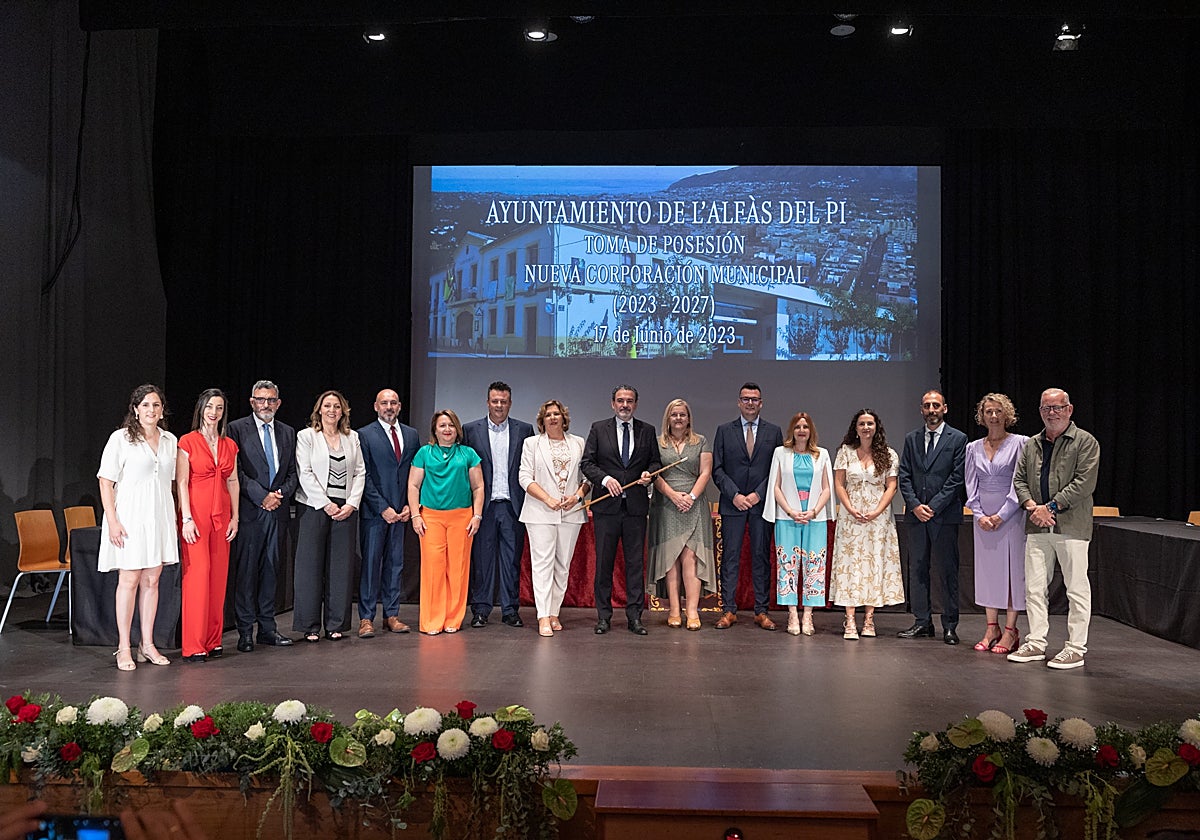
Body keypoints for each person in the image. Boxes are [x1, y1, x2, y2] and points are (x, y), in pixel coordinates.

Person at [1008, 388, 1100, 670]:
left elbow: (1084, 482)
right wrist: (1032, 506)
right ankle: (1036, 643)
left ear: (1069, 410)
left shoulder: (1085, 442)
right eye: (1046, 408)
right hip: (1037, 527)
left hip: (1071, 526)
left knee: (1076, 589)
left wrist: (1051, 507)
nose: (1052, 413)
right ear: (1040, 411)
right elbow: (1019, 479)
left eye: (1058, 407)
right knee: (1034, 588)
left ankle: (1075, 648)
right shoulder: (1032, 444)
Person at [97, 384, 179, 671]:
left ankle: (148, 643)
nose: (151, 410)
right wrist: (113, 521)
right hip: (130, 518)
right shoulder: (121, 439)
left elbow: (172, 481)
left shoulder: (170, 440)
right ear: (135, 409)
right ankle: (123, 647)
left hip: (159, 516)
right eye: (145, 405)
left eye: (156, 405)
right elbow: (106, 481)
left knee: (152, 581)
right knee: (129, 581)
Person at [581, 384, 662, 635]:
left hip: (636, 508)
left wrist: (649, 474)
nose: (624, 405)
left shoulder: (647, 430)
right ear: (612, 403)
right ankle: (603, 617)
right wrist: (605, 480)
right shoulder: (598, 428)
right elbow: (587, 463)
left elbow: (655, 461)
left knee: (635, 565)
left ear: (635, 404)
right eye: (620, 400)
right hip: (607, 508)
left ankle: (635, 617)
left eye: (629, 400)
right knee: (604, 564)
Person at [227, 380, 298, 653]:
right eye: (260, 399)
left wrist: (279, 495)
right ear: (251, 401)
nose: (265, 404)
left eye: (270, 400)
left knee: (271, 572)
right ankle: (245, 632)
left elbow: (293, 472)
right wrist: (261, 496)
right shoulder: (236, 429)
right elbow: (236, 473)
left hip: (278, 513)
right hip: (250, 512)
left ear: (278, 403)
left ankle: (268, 629)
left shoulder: (287, 432)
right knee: (246, 574)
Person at [293, 390, 366, 642]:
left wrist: (351, 504)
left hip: (345, 509)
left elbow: (360, 473)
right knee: (310, 567)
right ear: (319, 410)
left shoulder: (352, 437)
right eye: (327, 406)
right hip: (314, 508)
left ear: (343, 411)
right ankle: (310, 626)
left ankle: (336, 624)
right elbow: (305, 472)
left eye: (337, 406)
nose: (332, 410)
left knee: (340, 568)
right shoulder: (307, 437)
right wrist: (325, 504)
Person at [897, 390, 967, 645]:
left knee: (947, 571)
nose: (931, 410)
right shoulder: (912, 438)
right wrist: (915, 505)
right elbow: (904, 475)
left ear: (945, 408)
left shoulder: (958, 439)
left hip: (944, 516)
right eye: (927, 406)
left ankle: (950, 625)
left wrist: (933, 506)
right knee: (917, 570)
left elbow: (957, 479)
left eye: (936, 405)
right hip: (916, 517)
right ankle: (922, 622)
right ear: (921, 410)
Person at [712, 382, 784, 630]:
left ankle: (761, 611)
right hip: (732, 505)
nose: (750, 403)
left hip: (761, 506)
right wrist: (735, 495)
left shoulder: (774, 432)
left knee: (760, 557)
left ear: (761, 403)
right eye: (746, 399)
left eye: (754, 399)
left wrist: (757, 495)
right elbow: (717, 469)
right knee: (729, 557)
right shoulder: (724, 430)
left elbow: (777, 469)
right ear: (738, 402)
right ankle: (728, 610)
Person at [463, 382, 535, 628]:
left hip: (513, 506)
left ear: (510, 403)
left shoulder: (524, 430)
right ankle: (481, 610)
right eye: (495, 401)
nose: (499, 406)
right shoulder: (471, 430)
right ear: (487, 402)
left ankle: (510, 610)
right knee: (482, 561)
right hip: (483, 507)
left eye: (504, 401)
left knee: (511, 561)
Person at [176, 388, 240, 663]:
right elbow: (180, 482)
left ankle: (213, 640)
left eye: (219, 408)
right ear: (201, 408)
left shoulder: (229, 444)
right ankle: (193, 644)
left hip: (222, 516)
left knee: (218, 579)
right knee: (198, 578)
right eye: (210, 407)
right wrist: (186, 518)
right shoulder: (188, 441)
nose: (214, 413)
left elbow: (233, 481)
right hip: (197, 516)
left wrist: (235, 517)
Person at [408, 409, 485, 635]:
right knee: (433, 569)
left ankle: (453, 619)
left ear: (457, 429)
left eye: (451, 425)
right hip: (431, 517)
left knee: (458, 569)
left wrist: (477, 515)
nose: (447, 429)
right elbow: (413, 486)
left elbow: (478, 487)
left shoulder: (468, 454)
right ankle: (432, 620)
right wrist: (415, 515)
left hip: (462, 517)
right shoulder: (424, 453)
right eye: (442, 425)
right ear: (435, 429)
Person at [830, 409, 904, 640]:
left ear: (876, 427)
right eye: (862, 423)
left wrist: (877, 511)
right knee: (851, 566)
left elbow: (892, 486)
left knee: (874, 566)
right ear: (856, 428)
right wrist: (850, 508)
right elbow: (839, 484)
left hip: (878, 518)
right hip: (851, 518)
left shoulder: (889, 454)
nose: (866, 427)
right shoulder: (845, 452)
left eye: (870, 423)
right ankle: (850, 620)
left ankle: (869, 619)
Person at [518, 399, 590, 636]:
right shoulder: (531, 443)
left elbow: (587, 478)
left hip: (570, 513)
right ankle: (542, 616)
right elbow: (524, 477)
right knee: (542, 565)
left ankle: (554, 612)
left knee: (562, 567)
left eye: (556, 414)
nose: (552, 418)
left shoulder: (578, 443)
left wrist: (578, 497)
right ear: (542, 419)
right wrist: (548, 499)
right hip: (540, 512)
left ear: (564, 418)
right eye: (548, 414)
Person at [964, 393, 1028, 655]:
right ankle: (992, 627)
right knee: (989, 573)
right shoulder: (972, 448)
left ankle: (1011, 631)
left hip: (1011, 517)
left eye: (998, 411)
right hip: (983, 520)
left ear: (1007, 415)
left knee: (1012, 573)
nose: (993, 416)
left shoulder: (1021, 443)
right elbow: (970, 484)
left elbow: (1020, 482)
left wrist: (1001, 515)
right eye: (988, 411)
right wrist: (979, 514)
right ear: (982, 416)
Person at [356, 388, 419, 638]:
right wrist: (383, 508)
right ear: (375, 406)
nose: (389, 407)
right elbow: (364, 476)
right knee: (371, 565)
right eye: (384, 403)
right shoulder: (363, 435)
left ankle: (391, 615)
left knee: (395, 564)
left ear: (400, 406)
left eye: (393, 402)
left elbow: (415, 474)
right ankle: (366, 618)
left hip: (402, 513)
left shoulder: (412, 435)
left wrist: (407, 506)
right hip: (375, 513)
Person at [763, 412, 833, 636]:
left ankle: (808, 614)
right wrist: (791, 510)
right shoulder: (780, 453)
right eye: (797, 427)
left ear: (811, 430)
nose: (801, 430)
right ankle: (792, 613)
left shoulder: (821, 455)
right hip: (788, 517)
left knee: (814, 566)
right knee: (788, 566)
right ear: (791, 430)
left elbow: (827, 488)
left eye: (805, 427)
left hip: (815, 518)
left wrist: (813, 511)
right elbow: (775, 486)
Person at [647, 398, 714, 632]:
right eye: (674, 414)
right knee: (670, 559)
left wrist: (690, 497)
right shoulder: (656, 443)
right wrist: (674, 496)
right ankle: (674, 609)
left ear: (688, 418)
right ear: (668, 418)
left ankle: (692, 610)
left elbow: (705, 473)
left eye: (682, 415)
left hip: (693, 504)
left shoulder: (701, 441)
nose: (678, 418)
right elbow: (655, 474)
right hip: (665, 503)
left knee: (691, 558)